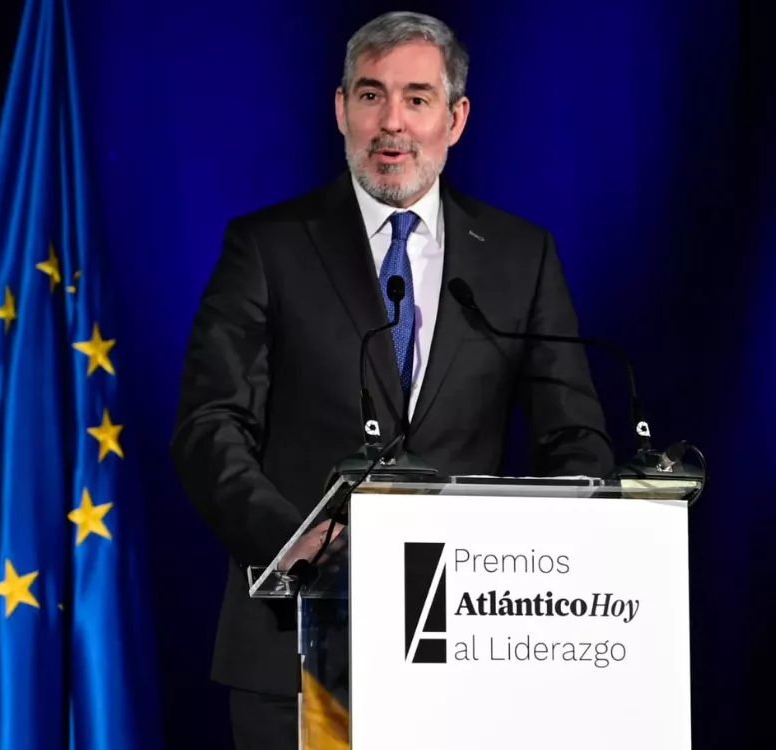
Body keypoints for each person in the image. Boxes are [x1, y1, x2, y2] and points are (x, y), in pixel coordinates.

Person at [170, 11, 614, 750]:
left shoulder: (519, 257)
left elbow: (575, 438)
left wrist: (538, 564)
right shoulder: (268, 246)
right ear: (341, 109)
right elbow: (209, 425)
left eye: (417, 98)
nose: (392, 124)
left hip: (468, 653)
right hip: (297, 650)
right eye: (372, 96)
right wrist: (293, 544)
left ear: (456, 118)